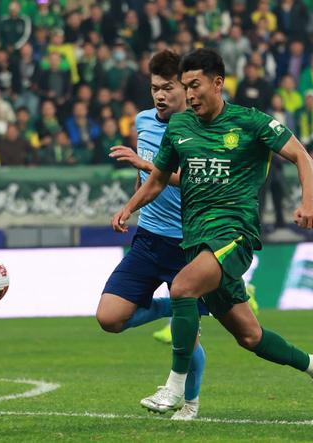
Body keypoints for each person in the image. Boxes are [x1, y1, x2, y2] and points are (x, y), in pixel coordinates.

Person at [111, 49, 313, 415]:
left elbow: (302, 156)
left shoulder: (251, 122)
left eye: (195, 85)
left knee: (182, 287)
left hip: (235, 234)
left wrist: (308, 202)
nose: (190, 94)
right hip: (196, 239)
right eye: (185, 86)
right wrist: (129, 208)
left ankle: (175, 388)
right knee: (250, 336)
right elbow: (159, 179)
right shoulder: (180, 128)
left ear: (218, 83)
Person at [97, 50, 207, 421]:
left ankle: (190, 403)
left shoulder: (198, 128)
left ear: (185, 89)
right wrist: (131, 206)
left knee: (187, 338)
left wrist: (145, 164)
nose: (160, 95)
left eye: (167, 88)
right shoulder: (144, 120)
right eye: (154, 88)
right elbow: (145, 177)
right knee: (109, 318)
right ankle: (170, 307)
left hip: (186, 244)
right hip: (148, 238)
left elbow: (194, 181)